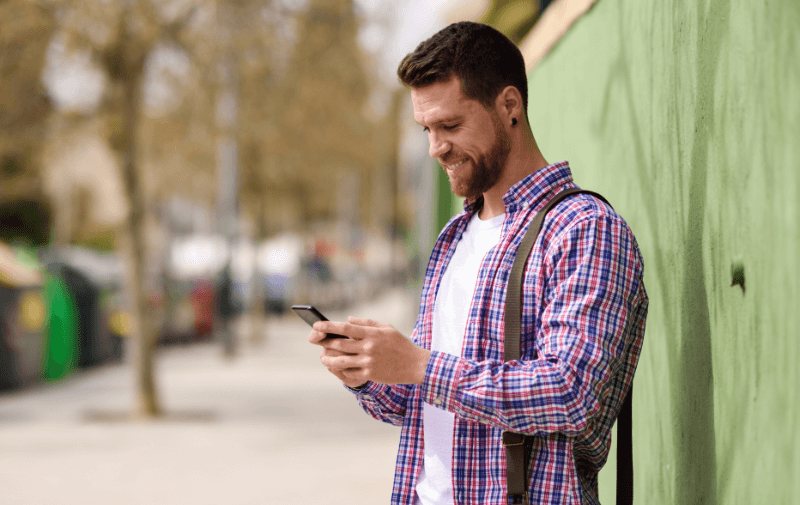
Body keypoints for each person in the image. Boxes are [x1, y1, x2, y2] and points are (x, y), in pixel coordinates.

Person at [308, 21, 648, 505]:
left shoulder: (584, 228)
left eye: (450, 125)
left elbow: (571, 394)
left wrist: (420, 365)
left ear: (509, 106)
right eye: (427, 129)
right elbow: (428, 404)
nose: (435, 147)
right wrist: (369, 372)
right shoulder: (454, 238)